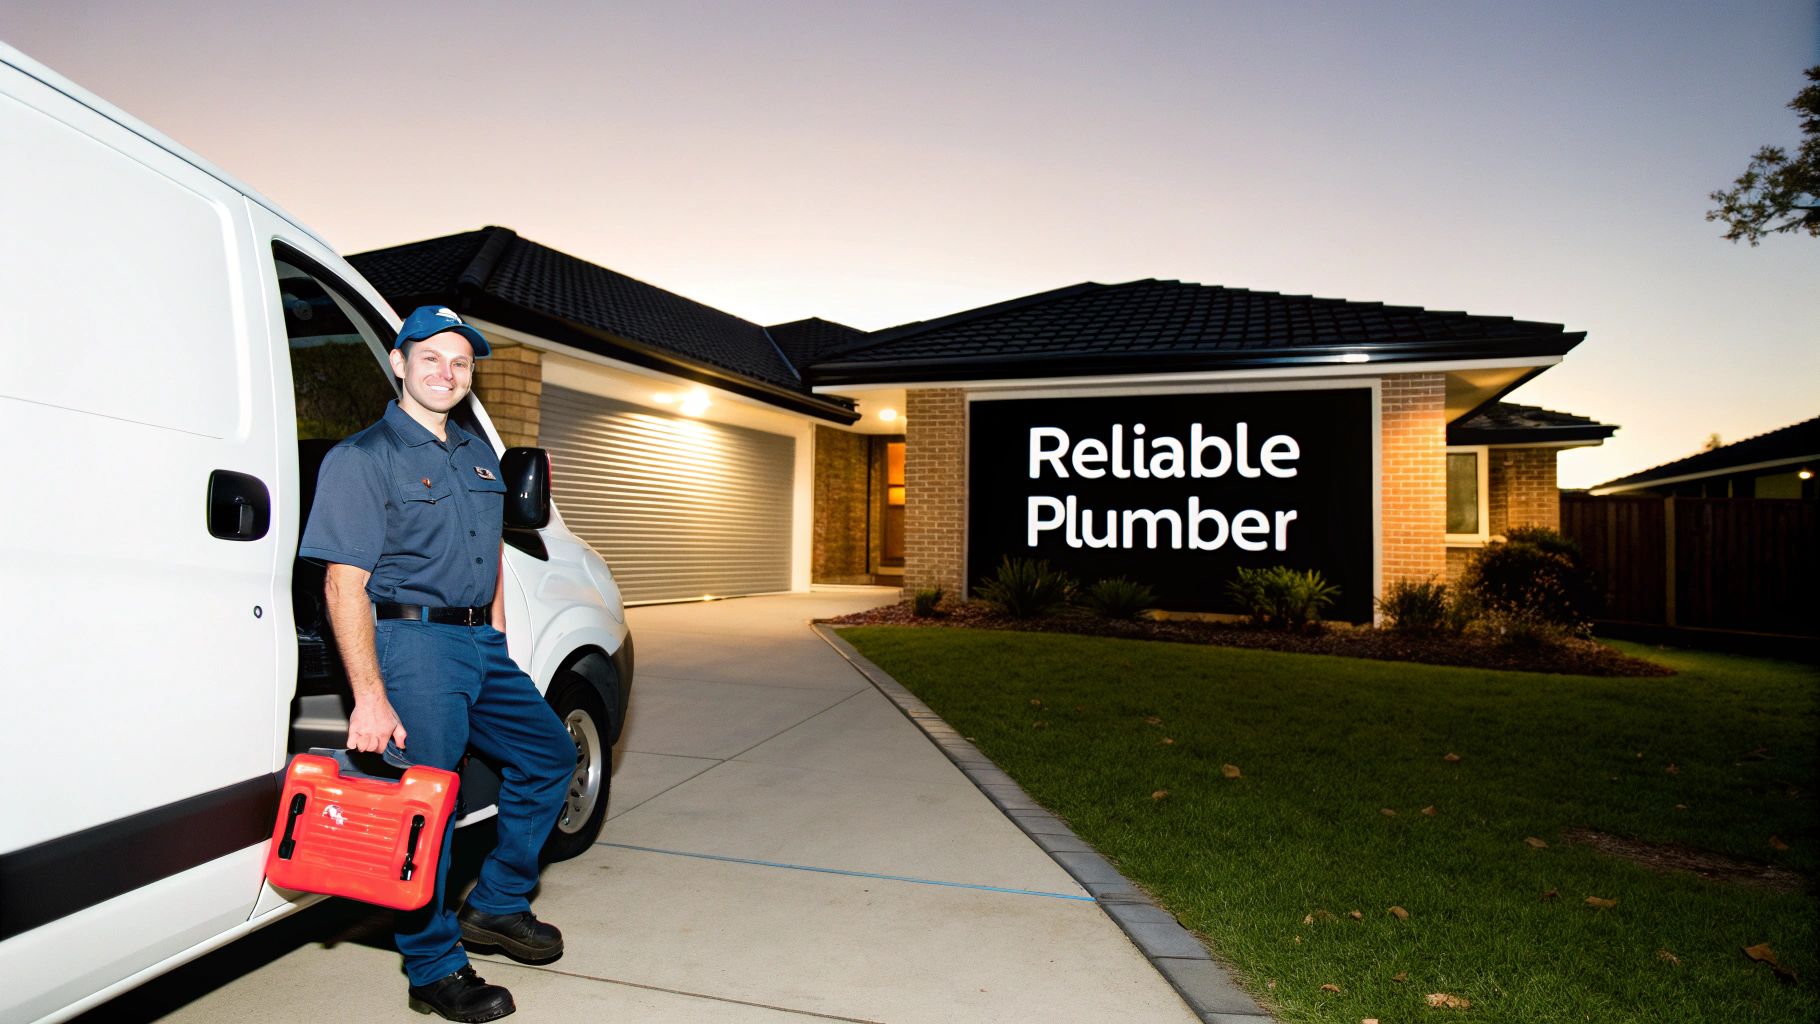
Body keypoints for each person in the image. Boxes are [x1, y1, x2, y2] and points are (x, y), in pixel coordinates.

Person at [299, 306, 576, 1023]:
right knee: (427, 806)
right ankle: (433, 965)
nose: (446, 372)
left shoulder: (477, 455)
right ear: (398, 363)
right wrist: (368, 696)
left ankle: (498, 903)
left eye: (460, 362)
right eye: (431, 358)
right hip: (411, 646)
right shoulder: (362, 459)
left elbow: (488, 562)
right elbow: (343, 584)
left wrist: (499, 642)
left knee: (548, 755)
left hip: (478, 645)